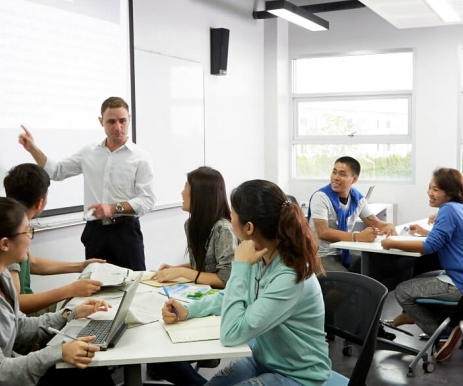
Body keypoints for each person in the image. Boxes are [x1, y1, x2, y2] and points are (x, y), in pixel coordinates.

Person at [0, 197, 114, 386]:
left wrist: (70, 314)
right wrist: (59, 352)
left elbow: (19, 327)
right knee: (88, 373)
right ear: (5, 244)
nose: (30, 238)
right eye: (27, 231)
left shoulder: (2, 278)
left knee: (91, 368)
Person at [162, 180, 331, 386]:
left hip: (299, 376)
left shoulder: (291, 275)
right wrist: (189, 309)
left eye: (232, 212)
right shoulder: (259, 255)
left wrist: (240, 266)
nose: (229, 216)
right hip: (263, 360)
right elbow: (230, 296)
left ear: (249, 227)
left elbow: (231, 335)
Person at [18, 96, 156, 270]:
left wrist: (113, 208)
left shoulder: (140, 157)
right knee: (95, 286)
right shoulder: (89, 152)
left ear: (129, 118)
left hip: (125, 232)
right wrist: (32, 148)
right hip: (95, 232)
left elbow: (147, 199)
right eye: (111, 122)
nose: (118, 127)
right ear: (101, 122)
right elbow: (57, 171)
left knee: (133, 284)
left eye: (122, 121)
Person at [379, 168, 463, 362]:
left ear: (450, 192)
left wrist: (392, 242)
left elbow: (430, 247)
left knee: (403, 291)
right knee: (421, 279)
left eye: (436, 189)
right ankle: (447, 325)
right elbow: (447, 238)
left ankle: (442, 332)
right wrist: (425, 232)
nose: (430, 193)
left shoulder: (448, 210)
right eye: (429, 188)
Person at [147, 166, 236, 386]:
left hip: (218, 303)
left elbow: (225, 279)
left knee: (163, 359)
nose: (181, 192)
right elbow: (202, 265)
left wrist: (182, 272)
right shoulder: (192, 224)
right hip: (198, 294)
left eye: (186, 186)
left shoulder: (223, 229)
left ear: (200, 193)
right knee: (158, 354)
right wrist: (175, 268)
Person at [3, 163, 105, 317]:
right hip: (20, 321)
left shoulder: (11, 224)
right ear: (40, 202)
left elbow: (33, 263)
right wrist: (69, 290)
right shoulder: (10, 234)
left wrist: (81, 266)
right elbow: (17, 304)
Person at [307, 156, 396, 272]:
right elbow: (323, 232)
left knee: (380, 269)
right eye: (334, 172)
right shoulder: (321, 197)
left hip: (344, 254)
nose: (335, 178)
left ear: (354, 179)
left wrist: (388, 226)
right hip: (320, 256)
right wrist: (358, 237)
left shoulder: (357, 198)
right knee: (348, 283)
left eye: (342, 174)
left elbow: (375, 222)